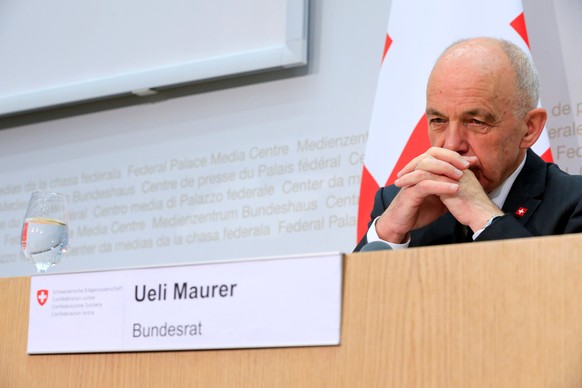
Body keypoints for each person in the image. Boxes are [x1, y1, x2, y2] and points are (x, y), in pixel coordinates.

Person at [354, 37, 582, 252]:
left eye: (476, 122)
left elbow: (564, 290)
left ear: (529, 128)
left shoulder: (573, 204)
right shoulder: (397, 203)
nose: (452, 145)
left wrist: (484, 217)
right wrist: (389, 232)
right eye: (438, 121)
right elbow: (350, 294)